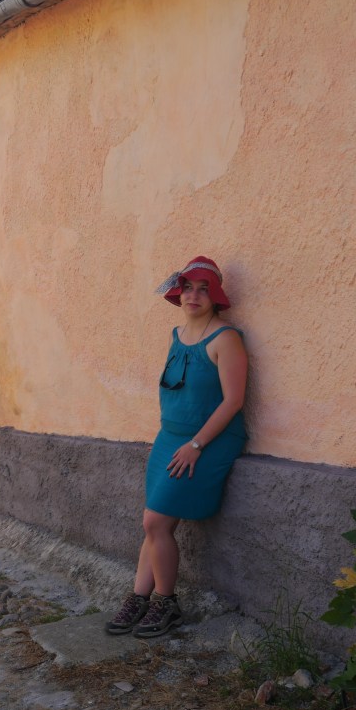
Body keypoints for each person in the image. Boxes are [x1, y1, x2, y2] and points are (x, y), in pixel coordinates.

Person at [106, 256, 248, 638]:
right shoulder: (176, 336)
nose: (194, 295)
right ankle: (141, 597)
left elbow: (233, 401)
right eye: (188, 287)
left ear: (215, 296)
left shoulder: (226, 338)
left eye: (204, 289)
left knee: (154, 522)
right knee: (154, 522)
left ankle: (166, 603)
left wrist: (196, 444)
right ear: (179, 293)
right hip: (169, 437)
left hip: (209, 440)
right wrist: (178, 439)